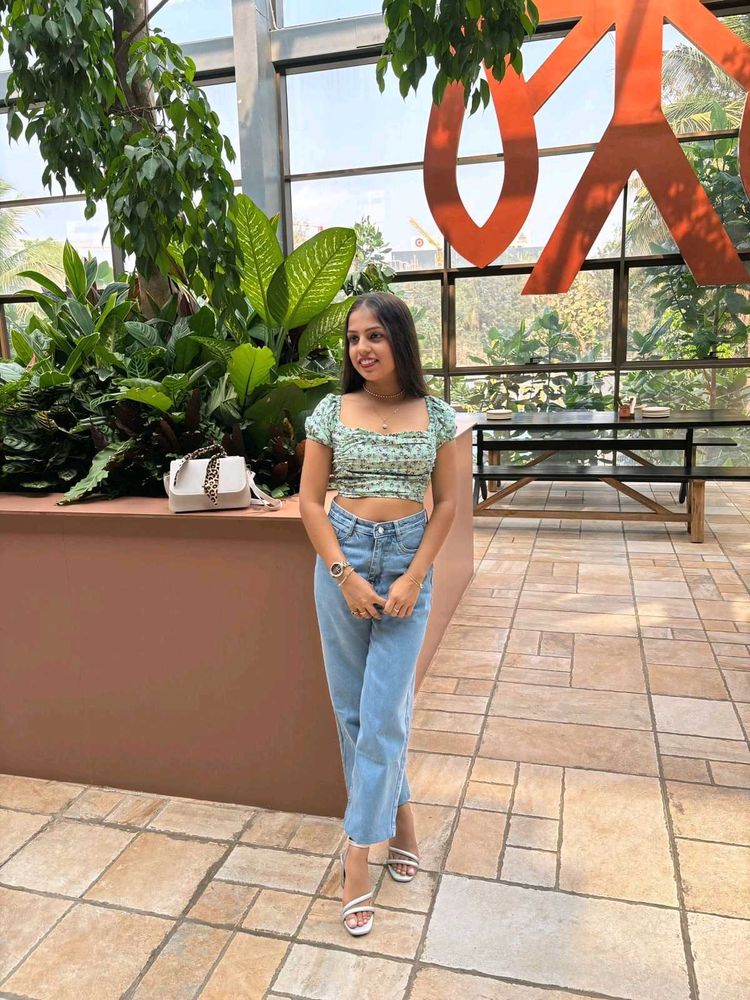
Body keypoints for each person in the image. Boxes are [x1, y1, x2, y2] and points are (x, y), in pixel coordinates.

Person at [299, 291, 458, 937]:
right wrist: (345, 576)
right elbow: (310, 503)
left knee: (385, 714)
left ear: (400, 340)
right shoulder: (331, 411)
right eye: (353, 337)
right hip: (345, 556)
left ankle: (358, 856)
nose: (361, 348)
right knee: (354, 713)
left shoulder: (437, 415)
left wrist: (414, 576)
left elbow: (448, 504)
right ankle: (403, 820)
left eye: (375, 335)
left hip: (409, 564)